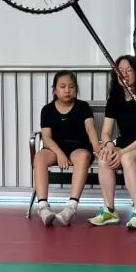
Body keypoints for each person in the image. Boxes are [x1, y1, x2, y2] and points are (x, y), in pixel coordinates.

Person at [90, 55, 136, 230]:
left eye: (129, 70)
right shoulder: (115, 99)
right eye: (120, 71)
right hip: (123, 145)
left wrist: (121, 153)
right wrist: (109, 146)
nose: (124, 74)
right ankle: (109, 210)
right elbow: (106, 133)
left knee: (127, 158)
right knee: (104, 159)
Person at [32, 70, 97, 227]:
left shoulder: (83, 107)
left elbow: (90, 129)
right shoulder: (47, 109)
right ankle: (43, 207)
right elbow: (47, 138)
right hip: (55, 148)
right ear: (54, 90)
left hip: (78, 147)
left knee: (83, 157)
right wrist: (60, 154)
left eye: (71, 87)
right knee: (39, 157)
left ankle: (71, 208)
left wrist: (98, 148)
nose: (67, 90)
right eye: (62, 87)